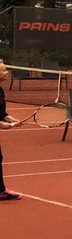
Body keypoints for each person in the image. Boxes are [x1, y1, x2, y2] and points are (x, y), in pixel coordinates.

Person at [0, 62, 22, 201]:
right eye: (4, 70)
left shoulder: (0, 91)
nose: (7, 72)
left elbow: (1, 113)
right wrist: (1, 125)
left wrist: (10, 119)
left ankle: (1, 191)